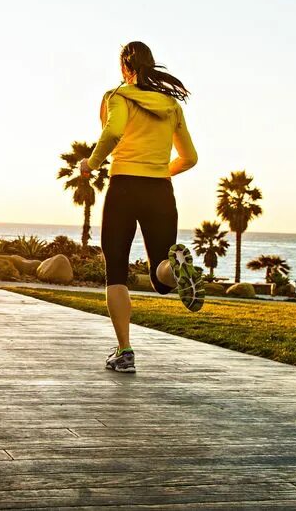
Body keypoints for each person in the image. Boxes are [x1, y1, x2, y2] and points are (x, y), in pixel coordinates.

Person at [80, 41, 204, 374]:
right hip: (160, 190)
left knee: (116, 269)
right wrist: (162, 170)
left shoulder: (118, 96)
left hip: (124, 188)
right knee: (160, 274)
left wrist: (91, 162)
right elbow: (190, 158)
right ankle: (177, 269)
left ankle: (125, 352)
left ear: (125, 67)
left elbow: (113, 131)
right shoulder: (171, 106)